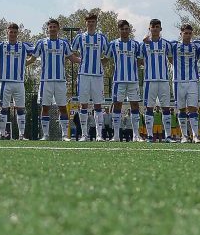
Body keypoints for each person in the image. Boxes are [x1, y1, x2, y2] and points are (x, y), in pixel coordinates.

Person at [30, 19, 81, 141]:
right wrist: (21, 64)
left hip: (60, 81)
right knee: (45, 108)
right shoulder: (41, 43)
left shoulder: (64, 43)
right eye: (50, 27)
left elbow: (72, 58)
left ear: (58, 29)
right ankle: (45, 135)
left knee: (62, 107)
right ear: (47, 29)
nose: (52, 29)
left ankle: (64, 135)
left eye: (54, 27)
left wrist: (84, 60)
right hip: (45, 81)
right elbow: (32, 59)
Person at [0, 23, 33, 140]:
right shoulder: (1, 46)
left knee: (20, 108)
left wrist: (27, 62)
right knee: (4, 108)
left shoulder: (24, 46)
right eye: (11, 32)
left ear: (17, 33)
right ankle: (2, 134)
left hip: (19, 82)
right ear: (7, 33)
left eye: (15, 32)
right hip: (5, 82)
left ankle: (21, 135)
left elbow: (37, 51)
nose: (13, 34)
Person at [71, 13, 109, 142]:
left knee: (98, 105)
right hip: (83, 75)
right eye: (89, 21)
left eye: (93, 21)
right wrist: (80, 61)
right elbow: (70, 53)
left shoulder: (102, 38)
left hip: (97, 75)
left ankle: (99, 135)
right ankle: (84, 135)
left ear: (96, 23)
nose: (91, 23)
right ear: (85, 23)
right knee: (83, 105)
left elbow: (108, 55)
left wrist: (100, 63)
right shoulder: (79, 37)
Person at [105, 20, 144, 142]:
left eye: (127, 29)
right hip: (118, 80)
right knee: (117, 105)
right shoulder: (113, 44)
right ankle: (116, 135)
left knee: (135, 105)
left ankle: (136, 135)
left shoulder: (135, 44)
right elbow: (106, 59)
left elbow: (140, 60)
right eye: (122, 29)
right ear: (119, 30)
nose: (125, 31)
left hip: (133, 80)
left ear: (129, 30)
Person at [167, 24, 200, 143]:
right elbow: (166, 52)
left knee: (193, 108)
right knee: (181, 109)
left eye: (189, 33)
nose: (187, 35)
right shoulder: (174, 45)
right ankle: (184, 136)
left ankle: (195, 135)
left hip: (192, 81)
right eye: (185, 33)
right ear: (181, 34)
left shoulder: (196, 45)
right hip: (178, 81)